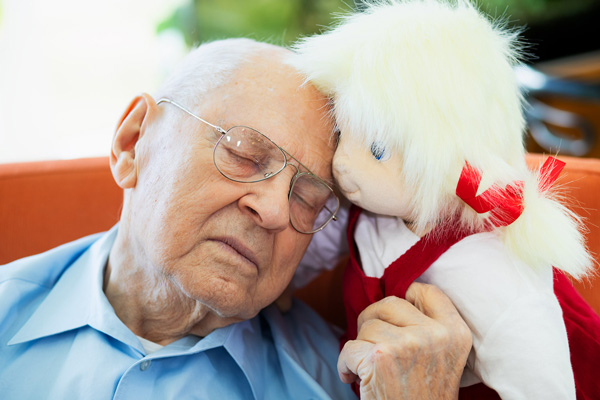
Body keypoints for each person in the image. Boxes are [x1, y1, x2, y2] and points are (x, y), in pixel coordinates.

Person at [0, 38, 471, 399]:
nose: (272, 210)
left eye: (308, 197)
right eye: (244, 152)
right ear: (132, 143)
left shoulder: (352, 379)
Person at [290, 1, 596, 399]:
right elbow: (311, 250)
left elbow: (544, 383)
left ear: (442, 155)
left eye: (378, 148)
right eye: (341, 132)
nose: (342, 163)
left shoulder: (492, 274)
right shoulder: (372, 208)